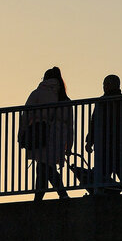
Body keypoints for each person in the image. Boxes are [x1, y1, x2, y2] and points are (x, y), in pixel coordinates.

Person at [20, 67, 73, 200]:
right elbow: (70, 125)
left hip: (41, 134)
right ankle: (42, 198)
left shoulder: (38, 93)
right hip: (58, 137)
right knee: (44, 167)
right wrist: (69, 145)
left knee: (45, 167)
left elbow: (26, 115)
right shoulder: (65, 99)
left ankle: (60, 195)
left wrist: (21, 133)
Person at [85, 75, 122, 194]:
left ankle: (100, 203)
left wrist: (90, 141)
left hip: (104, 149)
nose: (104, 87)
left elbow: (94, 124)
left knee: (101, 180)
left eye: (105, 84)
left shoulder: (101, 103)